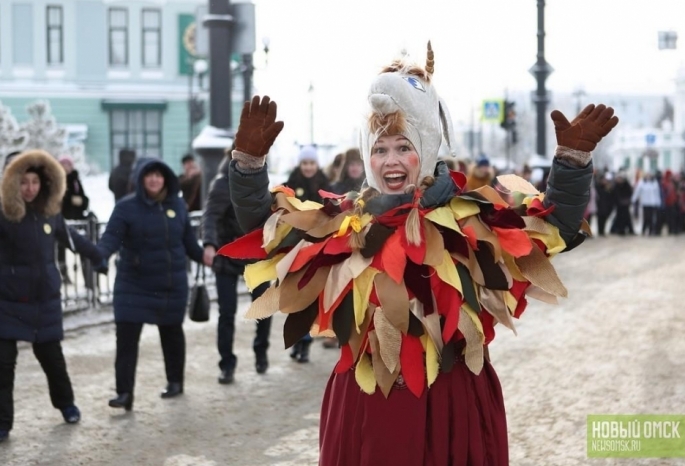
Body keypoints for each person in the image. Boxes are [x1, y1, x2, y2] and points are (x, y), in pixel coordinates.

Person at [221, 44, 617, 465]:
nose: (390, 161)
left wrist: (572, 164)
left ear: (427, 149)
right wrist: (247, 168)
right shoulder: (345, 224)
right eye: (379, 148)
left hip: (452, 405)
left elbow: (548, 232)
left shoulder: (471, 221)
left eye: (402, 146)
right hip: (366, 405)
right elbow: (274, 236)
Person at [0, 150, 106, 442]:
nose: (29, 188)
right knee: (3, 366)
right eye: (23, 182)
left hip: (44, 300)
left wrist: (98, 257)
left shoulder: (50, 213)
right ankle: (3, 423)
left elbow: (73, 239)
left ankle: (66, 405)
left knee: (53, 361)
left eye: (34, 181)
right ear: (12, 184)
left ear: (43, 182)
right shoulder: (4, 214)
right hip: (8, 301)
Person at [97, 158, 208, 411]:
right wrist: (99, 255)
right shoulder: (126, 208)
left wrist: (208, 256)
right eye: (149, 175)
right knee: (126, 339)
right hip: (133, 284)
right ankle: (125, 393)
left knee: (171, 334)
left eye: (159, 175)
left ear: (166, 178)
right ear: (140, 179)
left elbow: (189, 243)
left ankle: (175, 381)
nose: (154, 179)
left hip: (170, 284)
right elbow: (110, 239)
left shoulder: (177, 205)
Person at [201, 153, 271, 384]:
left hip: (256, 256)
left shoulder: (261, 183)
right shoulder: (222, 184)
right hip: (228, 256)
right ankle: (227, 364)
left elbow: (269, 217)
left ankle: (261, 353)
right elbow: (210, 216)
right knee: (227, 313)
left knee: (263, 308)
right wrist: (210, 244)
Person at [284, 145, 332, 362]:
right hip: (294, 247)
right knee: (294, 296)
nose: (309, 167)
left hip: (317, 248)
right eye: (305, 163)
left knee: (310, 297)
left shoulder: (324, 184)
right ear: (300, 164)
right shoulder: (291, 184)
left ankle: (305, 343)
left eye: (312, 163)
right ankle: (296, 340)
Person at [57, 155, 91, 284]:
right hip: (62, 220)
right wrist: (69, 200)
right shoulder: (57, 180)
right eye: (63, 165)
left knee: (82, 248)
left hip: (78, 220)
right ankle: (64, 275)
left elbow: (84, 199)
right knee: (61, 250)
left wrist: (81, 201)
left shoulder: (76, 180)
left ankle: (87, 280)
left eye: (68, 165)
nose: (65, 168)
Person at [631, 172, 661, 236]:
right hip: (645, 203)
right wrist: (633, 199)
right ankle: (644, 230)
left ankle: (651, 230)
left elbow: (657, 193)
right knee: (646, 217)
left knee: (652, 217)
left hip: (653, 203)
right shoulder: (642, 182)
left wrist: (658, 202)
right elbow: (637, 191)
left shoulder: (654, 183)